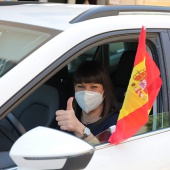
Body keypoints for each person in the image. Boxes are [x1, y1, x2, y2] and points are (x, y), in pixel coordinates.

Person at [55, 61, 119, 141]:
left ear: (104, 91)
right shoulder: (70, 117)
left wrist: (79, 128)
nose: (86, 92)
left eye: (94, 87)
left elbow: (104, 152)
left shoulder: (114, 122)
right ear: (75, 89)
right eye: (81, 86)